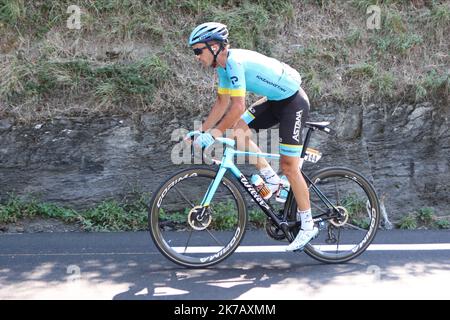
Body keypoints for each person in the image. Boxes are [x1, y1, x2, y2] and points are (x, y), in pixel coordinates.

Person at [188, 22, 318, 251]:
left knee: (289, 166)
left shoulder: (234, 63)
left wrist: (214, 134)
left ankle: (308, 226)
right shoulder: (222, 67)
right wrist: (201, 131)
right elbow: (222, 103)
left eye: (198, 50)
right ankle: (272, 180)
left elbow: (238, 107)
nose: (196, 56)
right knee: (239, 130)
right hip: (274, 101)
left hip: (293, 103)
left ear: (215, 46)